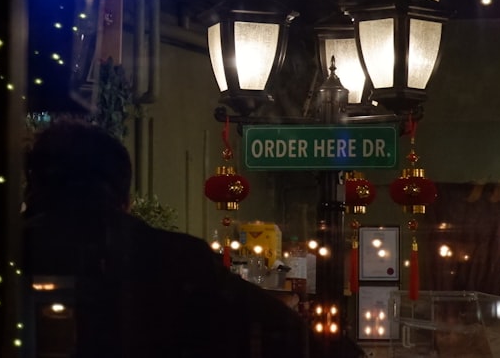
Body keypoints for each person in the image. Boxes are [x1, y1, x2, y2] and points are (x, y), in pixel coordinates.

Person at [21, 117, 310, 358]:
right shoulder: (181, 262)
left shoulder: (6, 253)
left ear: (32, 188)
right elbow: (290, 334)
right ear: (126, 199)